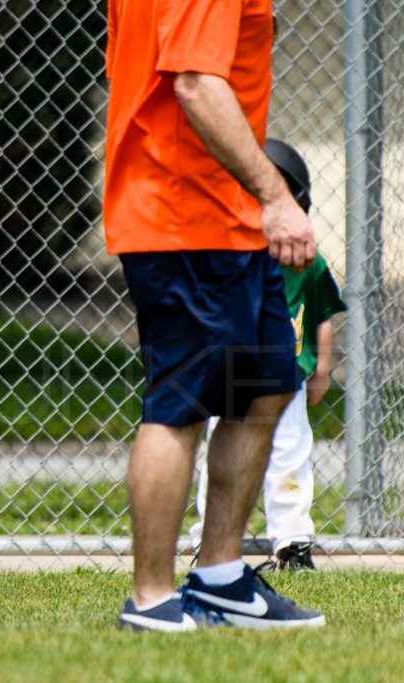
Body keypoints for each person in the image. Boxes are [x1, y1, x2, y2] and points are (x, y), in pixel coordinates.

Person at [104, 0, 325, 630]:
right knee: (182, 402)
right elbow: (195, 83)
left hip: (229, 219)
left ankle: (221, 577)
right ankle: (151, 599)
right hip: (183, 216)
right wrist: (276, 196)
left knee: (265, 387)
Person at [190, 139, 348, 571]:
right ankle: (211, 542)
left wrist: (322, 369)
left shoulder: (305, 258)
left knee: (290, 455)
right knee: (219, 458)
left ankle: (292, 542)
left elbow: (322, 315)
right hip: (231, 375)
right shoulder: (225, 256)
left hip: (289, 379)